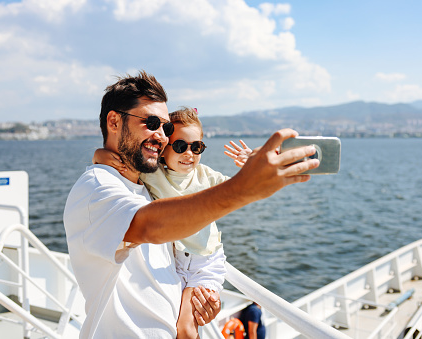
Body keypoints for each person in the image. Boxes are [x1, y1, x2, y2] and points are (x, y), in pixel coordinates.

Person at [63, 70, 319, 338]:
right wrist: (244, 188)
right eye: (151, 122)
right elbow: (149, 224)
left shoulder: (146, 187)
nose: (162, 136)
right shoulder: (96, 188)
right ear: (114, 122)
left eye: (166, 128)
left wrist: (199, 298)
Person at [93, 107, 252, 338]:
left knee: (186, 329)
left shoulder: (206, 177)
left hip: (205, 263)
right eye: (180, 146)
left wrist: (249, 165)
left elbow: (242, 190)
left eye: (196, 147)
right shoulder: (153, 174)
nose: (189, 154)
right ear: (165, 148)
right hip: (173, 264)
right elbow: (109, 157)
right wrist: (99, 156)